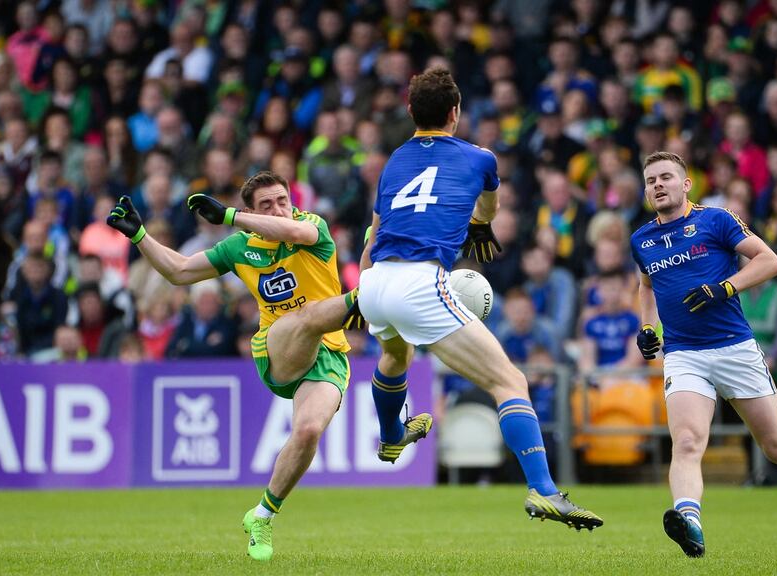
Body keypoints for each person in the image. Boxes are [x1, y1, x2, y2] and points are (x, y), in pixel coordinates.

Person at [353, 67, 602, 530]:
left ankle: (390, 436)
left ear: (410, 112)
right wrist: (482, 225)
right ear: (456, 112)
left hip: (375, 280)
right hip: (420, 281)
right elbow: (489, 208)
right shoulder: (480, 157)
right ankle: (545, 492)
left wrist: (365, 290)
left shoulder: (393, 160)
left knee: (396, 353)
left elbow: (373, 234)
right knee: (510, 381)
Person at [106, 171, 364, 562]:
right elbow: (178, 271)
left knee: (309, 430)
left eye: (282, 200)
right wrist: (140, 236)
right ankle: (366, 302)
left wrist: (228, 216)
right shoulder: (240, 247)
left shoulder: (312, 226)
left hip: (329, 355)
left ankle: (262, 514)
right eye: (267, 205)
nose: (279, 209)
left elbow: (293, 234)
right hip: (276, 348)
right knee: (309, 316)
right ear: (251, 211)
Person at [630, 151, 777, 558]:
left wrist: (725, 288)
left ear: (686, 184)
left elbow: (770, 261)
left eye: (665, 177)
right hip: (685, 354)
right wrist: (648, 329)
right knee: (686, 442)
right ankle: (690, 522)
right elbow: (647, 288)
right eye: (650, 180)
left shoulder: (716, 220)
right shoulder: (642, 240)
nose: (657, 185)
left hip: (734, 349)